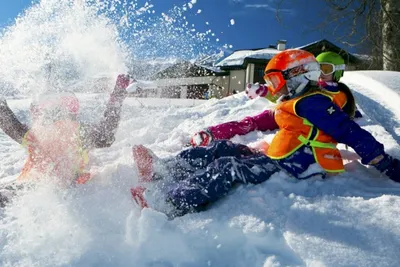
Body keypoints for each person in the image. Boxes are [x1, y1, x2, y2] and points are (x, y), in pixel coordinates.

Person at [131, 49, 400, 218]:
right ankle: (165, 169)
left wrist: (382, 161)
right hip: (279, 157)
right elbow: (260, 120)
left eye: (275, 81)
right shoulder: (296, 103)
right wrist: (216, 132)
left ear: (298, 75)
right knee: (223, 149)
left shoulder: (315, 102)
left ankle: (170, 202)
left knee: (229, 166)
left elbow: (349, 130)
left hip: (295, 165)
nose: (274, 88)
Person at [0, 74, 132, 206]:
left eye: (66, 104)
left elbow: (8, 123)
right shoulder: (78, 132)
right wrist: (117, 97)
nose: (59, 110)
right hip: (59, 189)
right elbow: (106, 136)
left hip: (36, 187)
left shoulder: (35, 134)